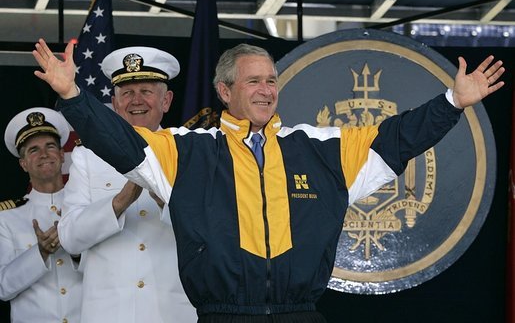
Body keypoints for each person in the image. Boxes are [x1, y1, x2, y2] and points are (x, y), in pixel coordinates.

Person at [32, 38, 505, 323]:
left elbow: (396, 139)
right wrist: (73, 95)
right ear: (224, 91)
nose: (266, 90)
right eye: (254, 81)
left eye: (272, 80)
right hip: (221, 316)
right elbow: (121, 141)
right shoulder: (186, 149)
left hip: (300, 313)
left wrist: (452, 102)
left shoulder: (319, 147)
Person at [56, 46, 196, 323]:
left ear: (166, 100)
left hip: (172, 311)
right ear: (115, 102)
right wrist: (120, 202)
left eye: (146, 91)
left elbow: (213, 227)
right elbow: (70, 238)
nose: (136, 100)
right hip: (109, 313)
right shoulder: (87, 156)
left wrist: (162, 195)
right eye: (127, 92)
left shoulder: (190, 148)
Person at [0, 107, 82, 323]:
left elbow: (111, 269)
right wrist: (41, 252)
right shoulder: (6, 218)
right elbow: (3, 287)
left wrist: (75, 251)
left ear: (62, 155)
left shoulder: (85, 207)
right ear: (23, 163)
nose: (44, 154)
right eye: (33, 150)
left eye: (50, 146)